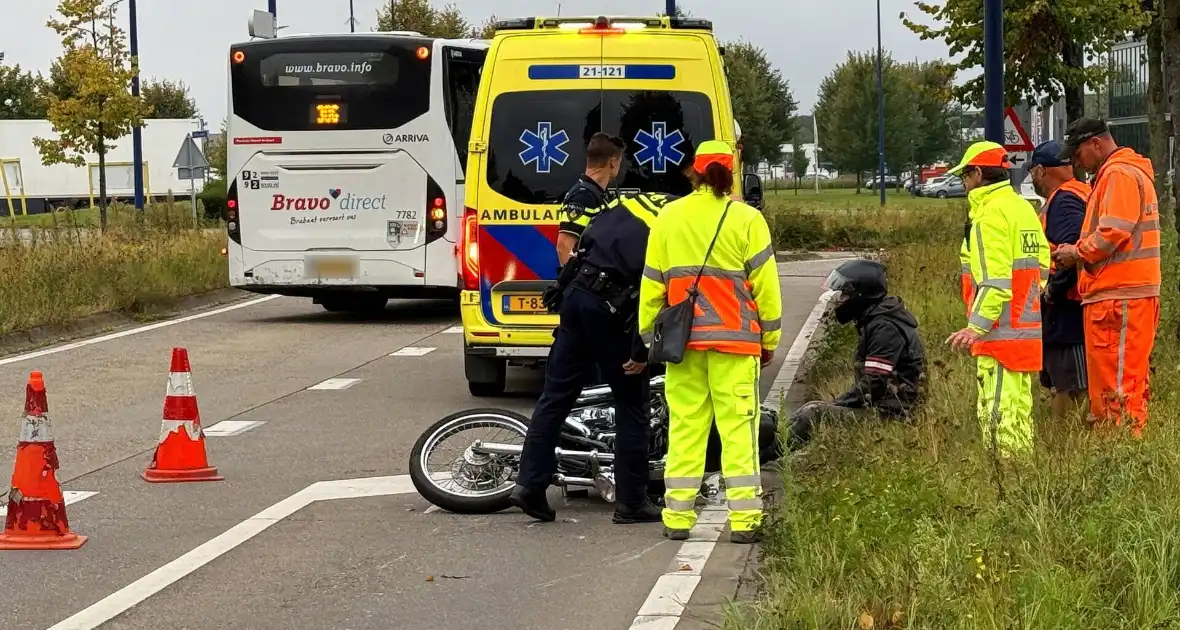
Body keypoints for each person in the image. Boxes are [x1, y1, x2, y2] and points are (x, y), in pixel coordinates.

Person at [510, 138, 664, 526]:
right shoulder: (664, 221)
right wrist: (641, 348)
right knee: (632, 401)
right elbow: (652, 289)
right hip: (607, 307)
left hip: (576, 299)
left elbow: (577, 255)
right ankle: (631, 502)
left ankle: (529, 485)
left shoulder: (623, 207)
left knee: (554, 397)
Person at [639, 140, 782, 544]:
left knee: (685, 428)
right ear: (731, 173)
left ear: (694, 172)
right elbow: (766, 288)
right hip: (735, 345)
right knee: (738, 431)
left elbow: (652, 283)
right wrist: (768, 337)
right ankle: (745, 521)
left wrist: (652, 336)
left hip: (683, 346)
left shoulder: (669, 217)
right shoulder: (747, 220)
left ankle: (678, 517)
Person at [1050, 118, 1161, 437]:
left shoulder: (1117, 174)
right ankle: (1123, 449)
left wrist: (1076, 252)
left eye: (1078, 153)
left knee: (1117, 390)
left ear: (1096, 144)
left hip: (1119, 298)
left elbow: (1113, 232)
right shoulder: (1128, 171)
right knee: (1125, 385)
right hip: (1125, 297)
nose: (1075, 161)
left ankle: (1119, 451)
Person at [946, 141, 1050, 457]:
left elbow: (994, 283)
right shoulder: (1022, 208)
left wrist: (975, 328)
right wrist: (1027, 302)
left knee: (998, 414)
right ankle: (1022, 477)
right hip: (1026, 332)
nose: (963, 182)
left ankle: (1003, 482)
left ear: (977, 174)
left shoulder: (989, 215)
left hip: (999, 335)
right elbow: (1042, 265)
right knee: (1018, 412)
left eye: (965, 175)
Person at [786, 259, 925, 448]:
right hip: (885, 408)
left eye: (845, 294)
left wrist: (837, 403)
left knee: (814, 414)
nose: (841, 300)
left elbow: (873, 384)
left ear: (861, 294)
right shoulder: (878, 320)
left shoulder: (885, 328)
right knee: (811, 407)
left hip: (893, 416)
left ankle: (770, 456)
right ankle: (767, 441)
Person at [1028, 140, 1090, 420]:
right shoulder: (1079, 193)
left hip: (1067, 310)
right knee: (1066, 382)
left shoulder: (1064, 201)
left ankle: (1065, 445)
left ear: (1041, 171)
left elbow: (1072, 250)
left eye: (1031, 173)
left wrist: (1053, 290)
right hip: (1075, 304)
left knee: (1070, 384)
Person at [555, 133, 625, 267]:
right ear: (612, 163)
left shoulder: (597, 194)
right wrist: (573, 283)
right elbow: (564, 245)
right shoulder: (583, 196)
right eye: (619, 162)